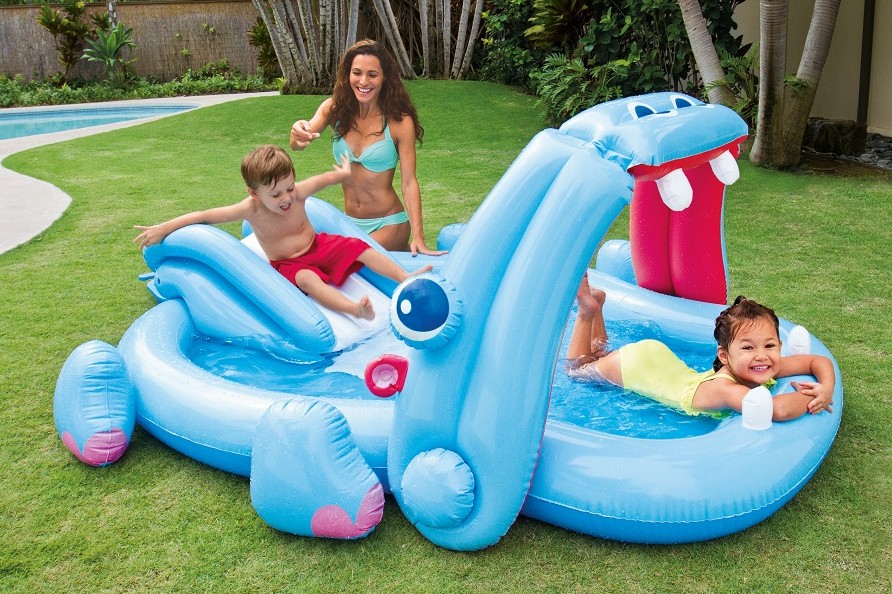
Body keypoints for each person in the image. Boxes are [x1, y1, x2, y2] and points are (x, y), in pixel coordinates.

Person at [133, 144, 431, 320]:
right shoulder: (250, 209)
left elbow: (324, 179)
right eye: (276, 195)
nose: (287, 198)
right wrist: (165, 227)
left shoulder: (298, 193)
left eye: (289, 188)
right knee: (308, 280)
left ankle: (405, 277)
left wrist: (342, 174)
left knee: (358, 247)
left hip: (317, 245)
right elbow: (205, 216)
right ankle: (354, 310)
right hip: (289, 263)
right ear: (254, 193)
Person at [567, 274, 835, 421]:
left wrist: (826, 386)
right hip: (634, 367)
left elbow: (817, 361)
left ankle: (596, 307)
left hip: (656, 362)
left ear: (779, 346)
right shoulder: (725, 389)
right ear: (724, 356)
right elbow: (776, 410)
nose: (761, 356)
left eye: (769, 345)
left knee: (597, 358)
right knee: (576, 371)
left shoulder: (759, 366)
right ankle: (586, 311)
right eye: (748, 348)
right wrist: (815, 397)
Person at [289, 39, 445, 257]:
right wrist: (298, 132)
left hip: (389, 223)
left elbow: (409, 182)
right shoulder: (334, 110)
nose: (363, 81)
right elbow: (297, 144)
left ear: (385, 77)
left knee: (343, 258)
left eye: (372, 74)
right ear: (348, 74)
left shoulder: (399, 122)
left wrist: (418, 236)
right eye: (357, 73)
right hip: (349, 223)